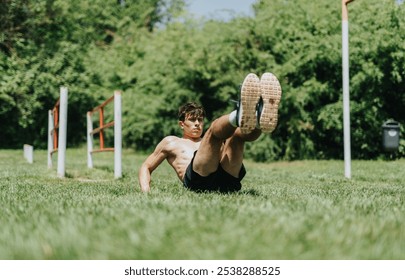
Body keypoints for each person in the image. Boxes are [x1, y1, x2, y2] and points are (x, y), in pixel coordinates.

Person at [138, 72, 282, 193]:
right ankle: (239, 115)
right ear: (182, 124)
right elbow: (146, 166)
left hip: (227, 181)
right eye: (192, 120)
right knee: (213, 131)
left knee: (236, 136)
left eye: (200, 120)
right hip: (198, 183)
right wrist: (146, 192)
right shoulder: (172, 142)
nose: (197, 124)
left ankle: (258, 120)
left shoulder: (208, 142)